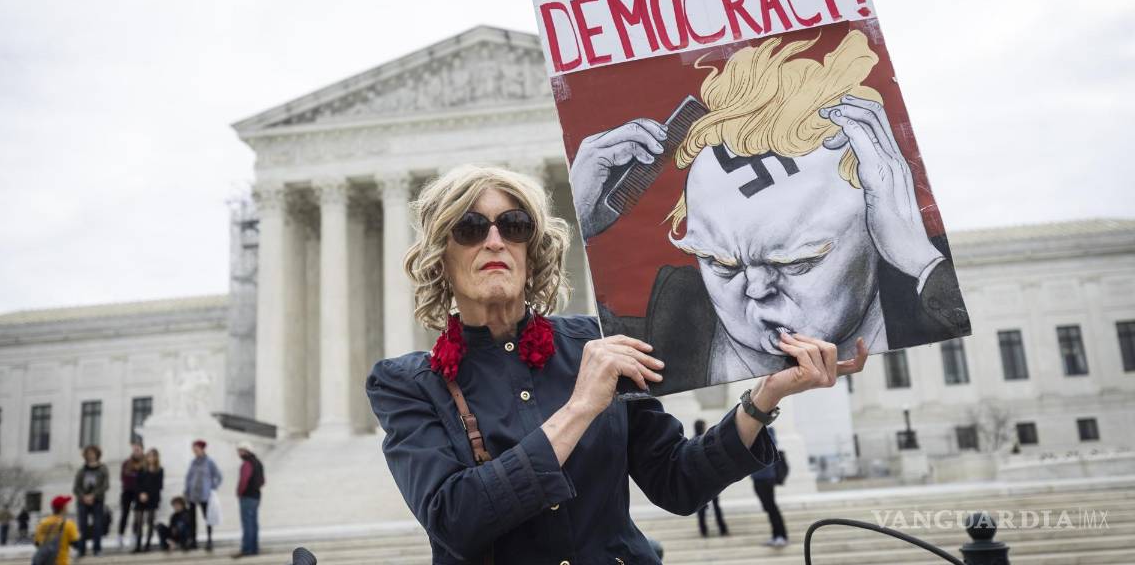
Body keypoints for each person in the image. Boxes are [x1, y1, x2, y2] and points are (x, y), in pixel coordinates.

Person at [366, 165, 871, 563]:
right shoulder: (408, 384)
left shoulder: (599, 342)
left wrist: (765, 398)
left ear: (531, 250)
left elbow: (678, 481)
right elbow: (455, 521)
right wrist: (580, 408)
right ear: (441, 256)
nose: (494, 240)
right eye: (471, 227)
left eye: (513, 226)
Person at [571, 30, 969, 392]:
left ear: (878, 226)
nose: (757, 290)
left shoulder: (932, 305)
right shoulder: (659, 337)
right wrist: (580, 227)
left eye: (795, 262)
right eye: (720, 263)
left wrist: (922, 261)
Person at [752, 427, 788, 547]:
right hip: (758, 477)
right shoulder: (754, 431)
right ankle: (776, 535)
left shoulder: (767, 431)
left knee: (771, 507)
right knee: (769, 508)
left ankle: (781, 536)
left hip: (766, 477)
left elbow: (769, 447)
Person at [183, 439, 222, 550]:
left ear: (202, 449)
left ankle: (209, 540)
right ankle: (193, 541)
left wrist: (212, 487)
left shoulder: (209, 462)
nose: (194, 451)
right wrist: (186, 491)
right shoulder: (193, 462)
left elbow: (218, 476)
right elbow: (188, 477)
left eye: (196, 449)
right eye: (193, 449)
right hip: (192, 495)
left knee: (208, 518)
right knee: (192, 519)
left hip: (205, 495)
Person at [692, 419, 728, 538]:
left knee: (701, 508)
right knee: (716, 506)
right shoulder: (706, 440)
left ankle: (704, 530)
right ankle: (722, 528)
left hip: (699, 481)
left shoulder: (691, 442)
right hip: (711, 480)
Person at [72, 444, 109, 557]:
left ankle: (97, 549)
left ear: (97, 454)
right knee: (82, 525)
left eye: (93, 453)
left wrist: (93, 496)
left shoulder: (103, 468)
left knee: (98, 525)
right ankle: (81, 550)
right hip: (83, 501)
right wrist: (84, 497)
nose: (91, 455)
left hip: (97, 500)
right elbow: (76, 487)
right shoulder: (81, 470)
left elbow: (105, 485)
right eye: (88, 453)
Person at [232, 441, 265, 558]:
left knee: (247, 524)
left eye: (240, 451)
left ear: (246, 451)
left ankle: (247, 549)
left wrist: (239, 492)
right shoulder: (258, 463)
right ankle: (254, 548)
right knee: (254, 523)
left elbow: (243, 481)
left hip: (247, 497)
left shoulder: (246, 464)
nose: (239, 454)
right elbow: (262, 481)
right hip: (256, 496)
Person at [33, 495, 80, 565]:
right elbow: (77, 544)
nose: (68, 507)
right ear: (63, 508)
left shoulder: (42, 523)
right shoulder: (68, 524)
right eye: (66, 505)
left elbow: (37, 543)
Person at [133, 448, 164, 552]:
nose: (151, 458)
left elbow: (159, 486)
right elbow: (137, 483)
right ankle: (138, 545)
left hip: (153, 498)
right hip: (140, 498)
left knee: (150, 521)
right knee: (139, 522)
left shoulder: (160, 470)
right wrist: (141, 494)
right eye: (149, 456)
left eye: (153, 456)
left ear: (156, 458)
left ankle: (147, 544)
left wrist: (148, 495)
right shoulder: (141, 469)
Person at [117, 442, 145, 550]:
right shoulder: (126, 463)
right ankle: (120, 535)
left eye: (138, 449)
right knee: (125, 513)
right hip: (128, 491)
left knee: (138, 515)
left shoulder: (145, 463)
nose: (136, 451)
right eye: (134, 449)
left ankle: (134, 535)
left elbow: (145, 478)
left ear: (142, 450)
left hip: (139, 493)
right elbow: (124, 478)